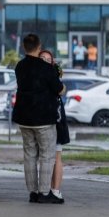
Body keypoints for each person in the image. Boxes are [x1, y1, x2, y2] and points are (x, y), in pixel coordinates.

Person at [12, 34, 65, 204]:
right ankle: (44, 192)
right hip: (43, 118)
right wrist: (62, 86)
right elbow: (59, 89)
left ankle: (33, 192)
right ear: (39, 46)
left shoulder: (19, 66)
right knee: (47, 156)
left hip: (23, 117)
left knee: (29, 155)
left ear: (24, 47)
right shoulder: (46, 69)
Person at [39, 50, 70, 204]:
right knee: (45, 157)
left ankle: (55, 190)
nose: (45, 61)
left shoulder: (52, 77)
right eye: (42, 58)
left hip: (56, 122)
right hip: (41, 122)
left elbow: (62, 90)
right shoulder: (37, 77)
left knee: (56, 157)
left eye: (48, 59)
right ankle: (46, 190)